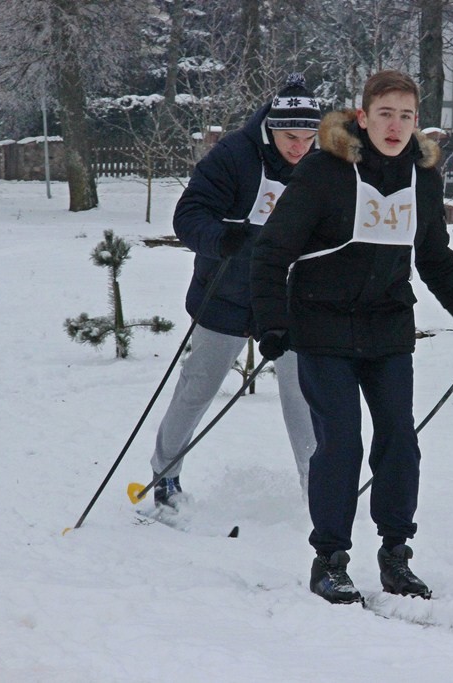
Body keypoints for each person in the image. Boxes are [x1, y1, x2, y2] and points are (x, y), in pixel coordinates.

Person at [250, 70, 453, 605]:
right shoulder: (324, 171)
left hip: (388, 330)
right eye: (386, 114)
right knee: (341, 444)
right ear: (363, 117)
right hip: (321, 329)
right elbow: (272, 253)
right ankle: (330, 560)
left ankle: (396, 556)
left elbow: (435, 259)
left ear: (418, 123)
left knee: (400, 444)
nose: (396, 126)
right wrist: (272, 325)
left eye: (407, 116)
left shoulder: (422, 177)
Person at [150, 73, 321, 510]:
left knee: (301, 394)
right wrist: (220, 239)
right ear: (270, 127)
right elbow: (189, 214)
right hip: (226, 289)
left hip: (289, 297)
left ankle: (316, 489)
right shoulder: (234, 155)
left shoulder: (325, 165)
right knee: (199, 385)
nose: (299, 147)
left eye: (308, 137)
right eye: (290, 137)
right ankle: (165, 476)